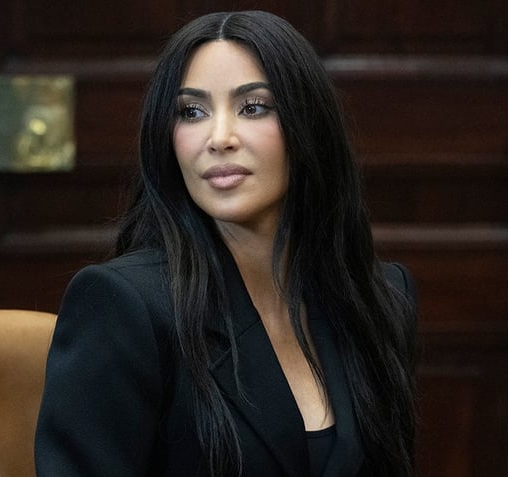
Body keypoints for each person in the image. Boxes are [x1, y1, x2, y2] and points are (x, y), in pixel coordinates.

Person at [34, 10, 417, 477]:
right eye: (191, 112)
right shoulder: (123, 306)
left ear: (307, 127)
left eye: (253, 106)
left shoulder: (382, 298)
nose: (218, 138)